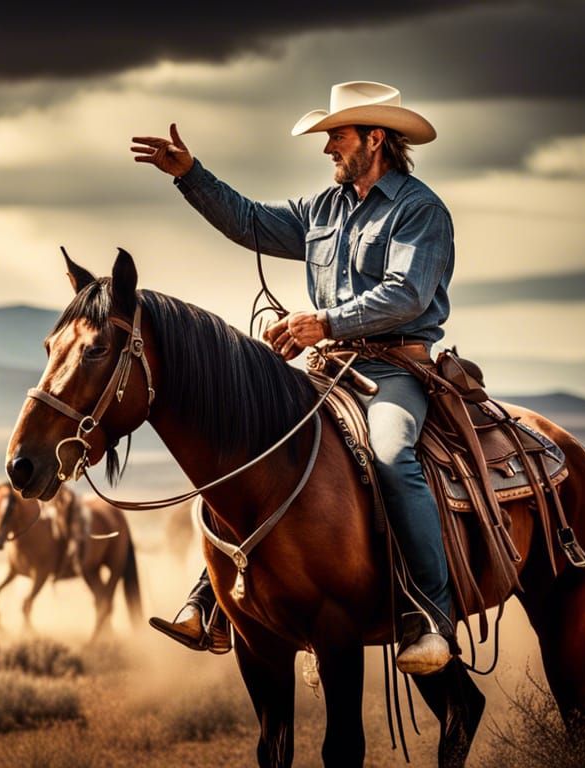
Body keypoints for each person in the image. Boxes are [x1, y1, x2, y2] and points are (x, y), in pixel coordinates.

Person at [132, 81, 456, 675]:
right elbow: (250, 222)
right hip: (328, 369)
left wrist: (324, 322)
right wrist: (190, 175)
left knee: (391, 454)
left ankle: (431, 614)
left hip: (393, 369)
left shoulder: (420, 210)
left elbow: (407, 294)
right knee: (248, 450)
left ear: (375, 138)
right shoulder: (322, 210)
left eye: (338, 135)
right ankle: (213, 598)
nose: (328, 147)